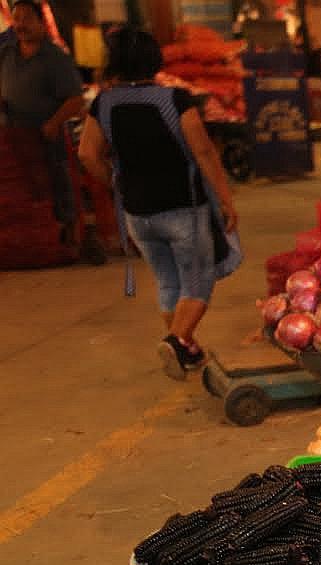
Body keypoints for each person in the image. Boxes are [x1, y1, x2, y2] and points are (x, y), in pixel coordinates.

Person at [78, 26, 239, 380]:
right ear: (154, 59)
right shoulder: (175, 100)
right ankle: (176, 340)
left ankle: (187, 351)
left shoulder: (104, 103)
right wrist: (226, 200)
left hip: (138, 214)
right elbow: (204, 152)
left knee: (168, 281)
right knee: (198, 281)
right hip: (183, 209)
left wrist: (116, 184)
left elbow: (87, 154)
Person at [0, 0, 84, 230]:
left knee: (56, 186)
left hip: (45, 137)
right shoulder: (5, 53)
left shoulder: (55, 57)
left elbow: (76, 99)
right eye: (17, 19)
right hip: (13, 138)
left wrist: (54, 123)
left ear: (41, 22)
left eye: (27, 18)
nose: (20, 25)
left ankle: (66, 231)